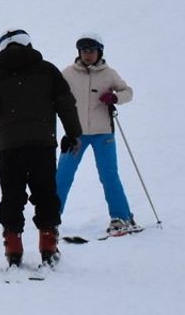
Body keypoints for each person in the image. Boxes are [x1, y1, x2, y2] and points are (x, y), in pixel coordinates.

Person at [0, 29, 82, 267]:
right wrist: (73, 133)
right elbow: (66, 103)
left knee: (12, 195)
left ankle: (13, 247)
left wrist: (4, 118)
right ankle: (48, 245)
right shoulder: (47, 70)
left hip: (10, 146)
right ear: (29, 44)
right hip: (42, 144)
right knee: (45, 193)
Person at [56, 33, 138, 236]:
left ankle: (121, 217)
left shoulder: (109, 74)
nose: (88, 55)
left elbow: (128, 92)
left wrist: (116, 97)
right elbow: (54, 93)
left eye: (91, 51)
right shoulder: (68, 73)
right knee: (63, 175)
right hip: (76, 134)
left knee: (109, 175)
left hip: (103, 134)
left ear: (99, 51)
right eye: (84, 51)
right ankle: (52, 217)